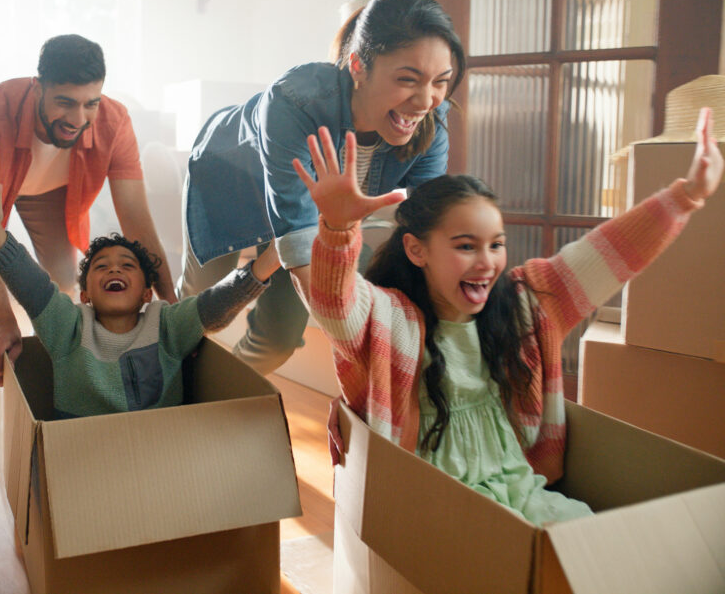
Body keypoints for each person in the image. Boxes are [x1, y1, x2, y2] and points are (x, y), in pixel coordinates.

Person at [295, 110, 722, 524]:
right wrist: (336, 229)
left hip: (521, 487)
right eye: (465, 246)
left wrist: (687, 195)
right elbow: (335, 304)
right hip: (434, 507)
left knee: (590, 542)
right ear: (416, 250)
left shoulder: (524, 306)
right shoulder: (391, 321)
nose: (486, 262)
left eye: (495, 244)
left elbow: (609, 253)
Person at [180, 0, 465, 375]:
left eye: (440, 81)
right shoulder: (294, 100)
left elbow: (429, 231)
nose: (425, 101)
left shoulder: (430, 122)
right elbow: (298, 240)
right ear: (358, 67)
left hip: (306, 216)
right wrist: (360, 342)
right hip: (229, 183)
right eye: (408, 79)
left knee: (277, 342)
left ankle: (221, 401)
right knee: (194, 313)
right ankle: (170, 390)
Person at [0, 34, 175, 382]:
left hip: (52, 191)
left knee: (65, 277)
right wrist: (6, 326)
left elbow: (137, 220)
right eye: (65, 102)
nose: (78, 118)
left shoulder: (114, 121)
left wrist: (172, 304)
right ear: (38, 87)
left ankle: (55, 343)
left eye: (91, 103)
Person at [0, 181, 281, 411]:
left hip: (159, 451)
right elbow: (33, 285)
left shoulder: (166, 324)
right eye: (102, 267)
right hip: (83, 456)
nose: (114, 270)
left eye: (127, 266)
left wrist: (266, 264)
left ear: (147, 293)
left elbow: (214, 305)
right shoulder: (69, 326)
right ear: (86, 294)